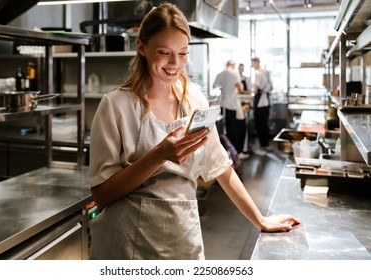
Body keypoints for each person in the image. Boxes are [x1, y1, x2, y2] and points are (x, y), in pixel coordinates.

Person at [88, 3, 300, 260]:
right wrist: (158, 155)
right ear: (142, 48)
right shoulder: (116, 105)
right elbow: (102, 194)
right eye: (164, 52)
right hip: (126, 244)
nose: (174, 63)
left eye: (183, 53)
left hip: (181, 238)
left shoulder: (194, 101)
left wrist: (260, 219)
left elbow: (221, 167)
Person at [213, 60, 247, 159]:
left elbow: (214, 86)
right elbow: (240, 89)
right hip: (232, 105)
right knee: (239, 129)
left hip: (223, 105)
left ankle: (230, 153)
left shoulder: (220, 74)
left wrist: (224, 88)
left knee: (228, 129)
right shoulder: (234, 73)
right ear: (233, 65)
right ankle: (238, 152)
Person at [251, 57, 273, 156]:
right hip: (266, 102)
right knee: (265, 124)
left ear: (257, 62)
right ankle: (266, 144)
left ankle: (261, 145)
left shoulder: (257, 73)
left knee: (259, 125)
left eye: (252, 63)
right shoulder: (266, 72)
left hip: (260, 103)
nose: (252, 65)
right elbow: (271, 87)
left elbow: (255, 90)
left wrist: (251, 91)